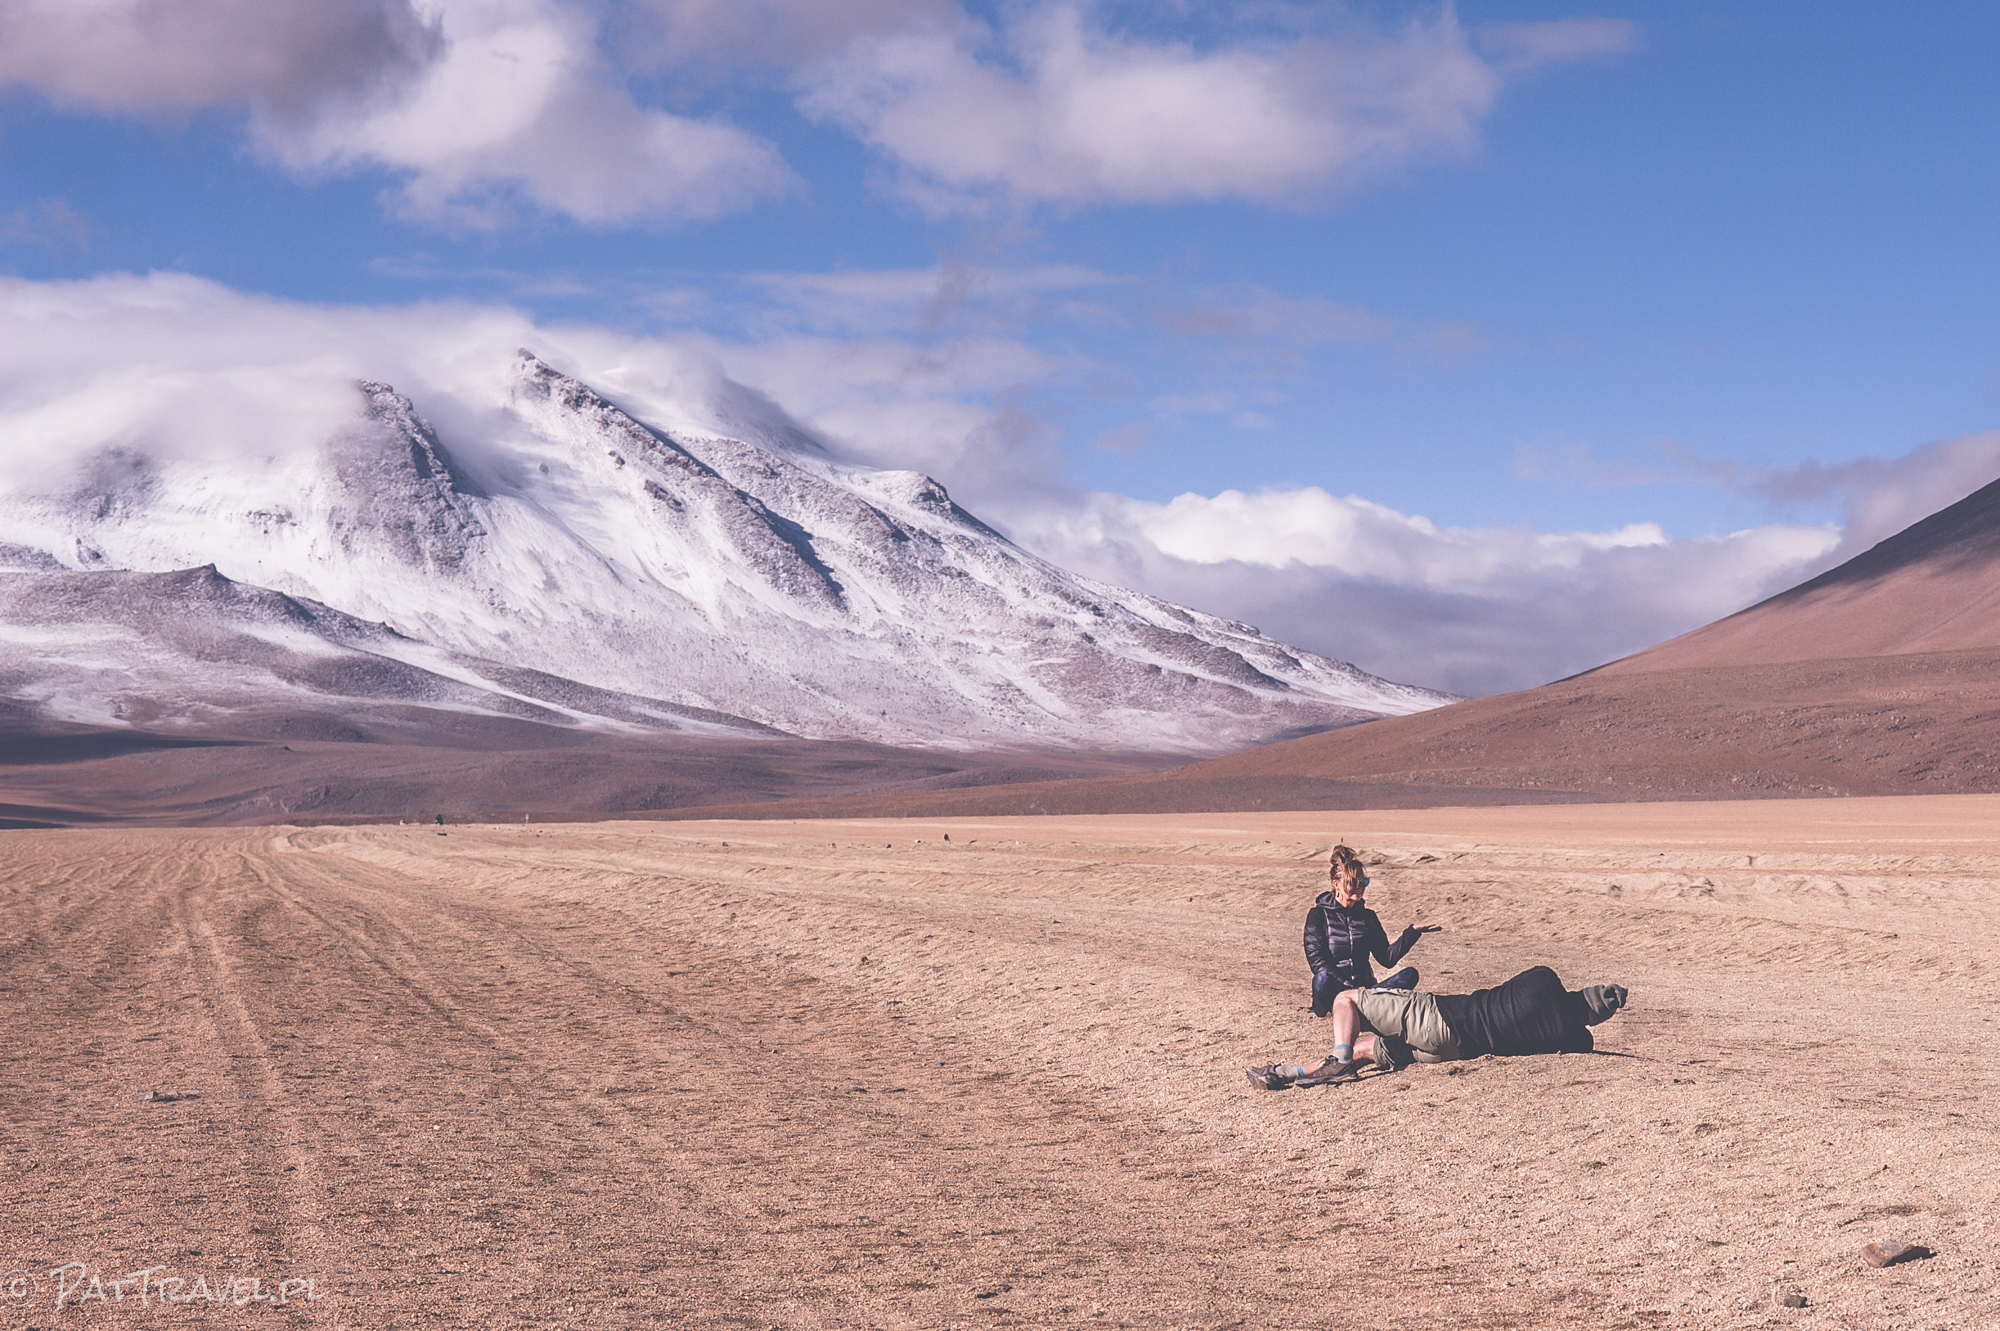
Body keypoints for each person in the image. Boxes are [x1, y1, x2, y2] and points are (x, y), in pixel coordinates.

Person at [1245, 965, 1629, 1089]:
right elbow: (1579, 1032)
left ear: (1584, 991)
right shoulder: (1576, 1039)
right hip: (1451, 1052)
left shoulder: (1545, 981)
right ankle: (1288, 1074)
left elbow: (1521, 990)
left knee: (1346, 999)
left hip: (1442, 1016)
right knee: (1367, 1046)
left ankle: (1337, 1060)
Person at [1304, 845, 1440, 1027]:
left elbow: (1387, 958)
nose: (1360, 887)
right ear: (1336, 884)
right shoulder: (1318, 915)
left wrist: (1412, 933)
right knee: (1321, 979)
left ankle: (1366, 1004)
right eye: (1353, 882)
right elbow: (1318, 962)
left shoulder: (1368, 917)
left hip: (1366, 990)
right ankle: (1360, 1006)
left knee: (1409, 975)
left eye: (1364, 882)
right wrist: (1351, 989)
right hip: (1335, 990)